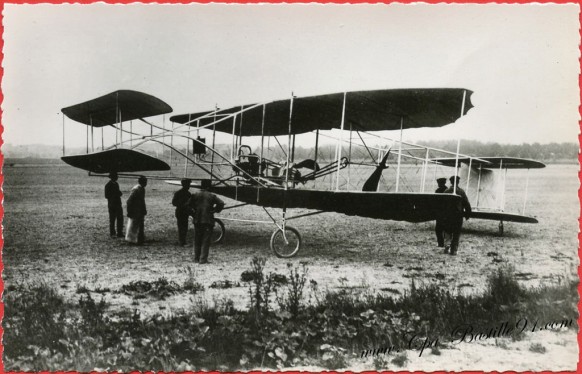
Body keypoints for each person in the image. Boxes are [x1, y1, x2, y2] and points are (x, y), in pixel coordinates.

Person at [187, 179, 225, 264]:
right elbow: (221, 203)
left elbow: (188, 205)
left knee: (197, 239)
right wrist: (215, 210)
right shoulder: (211, 196)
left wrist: (193, 213)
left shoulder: (195, 195)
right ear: (208, 186)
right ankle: (203, 259)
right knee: (205, 240)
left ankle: (196, 258)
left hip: (197, 220)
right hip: (208, 220)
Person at [443, 175, 472, 255]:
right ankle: (454, 250)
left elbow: (442, 204)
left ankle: (447, 245)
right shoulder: (461, 191)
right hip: (458, 215)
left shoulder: (446, 191)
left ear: (451, 182)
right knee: (456, 232)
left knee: (448, 230)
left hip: (448, 215)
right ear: (458, 182)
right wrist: (468, 213)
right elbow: (466, 203)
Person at [126, 176, 148, 245]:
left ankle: (139, 240)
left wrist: (144, 209)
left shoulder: (141, 189)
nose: (146, 183)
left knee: (139, 225)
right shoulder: (136, 189)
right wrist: (129, 211)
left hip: (139, 210)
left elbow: (142, 200)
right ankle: (132, 240)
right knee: (133, 225)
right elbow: (129, 201)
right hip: (135, 210)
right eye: (145, 182)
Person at [172, 178, 192, 246]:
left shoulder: (180, 193)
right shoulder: (183, 193)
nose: (189, 186)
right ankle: (182, 242)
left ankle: (182, 240)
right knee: (182, 227)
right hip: (181, 211)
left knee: (183, 226)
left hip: (182, 212)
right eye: (188, 184)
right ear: (184, 185)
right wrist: (183, 205)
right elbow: (174, 203)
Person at [104, 172, 123, 238]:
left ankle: (119, 232)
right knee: (112, 219)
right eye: (115, 177)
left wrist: (118, 194)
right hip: (112, 205)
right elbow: (106, 196)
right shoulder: (108, 185)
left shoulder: (116, 184)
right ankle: (112, 233)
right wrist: (115, 195)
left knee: (120, 218)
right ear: (112, 177)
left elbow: (119, 193)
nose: (116, 178)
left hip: (118, 204)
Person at [434, 177, 448, 248]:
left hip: (440, 212)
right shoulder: (448, 190)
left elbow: (435, 202)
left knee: (438, 229)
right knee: (446, 228)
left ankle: (441, 243)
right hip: (447, 212)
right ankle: (446, 243)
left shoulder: (438, 190)